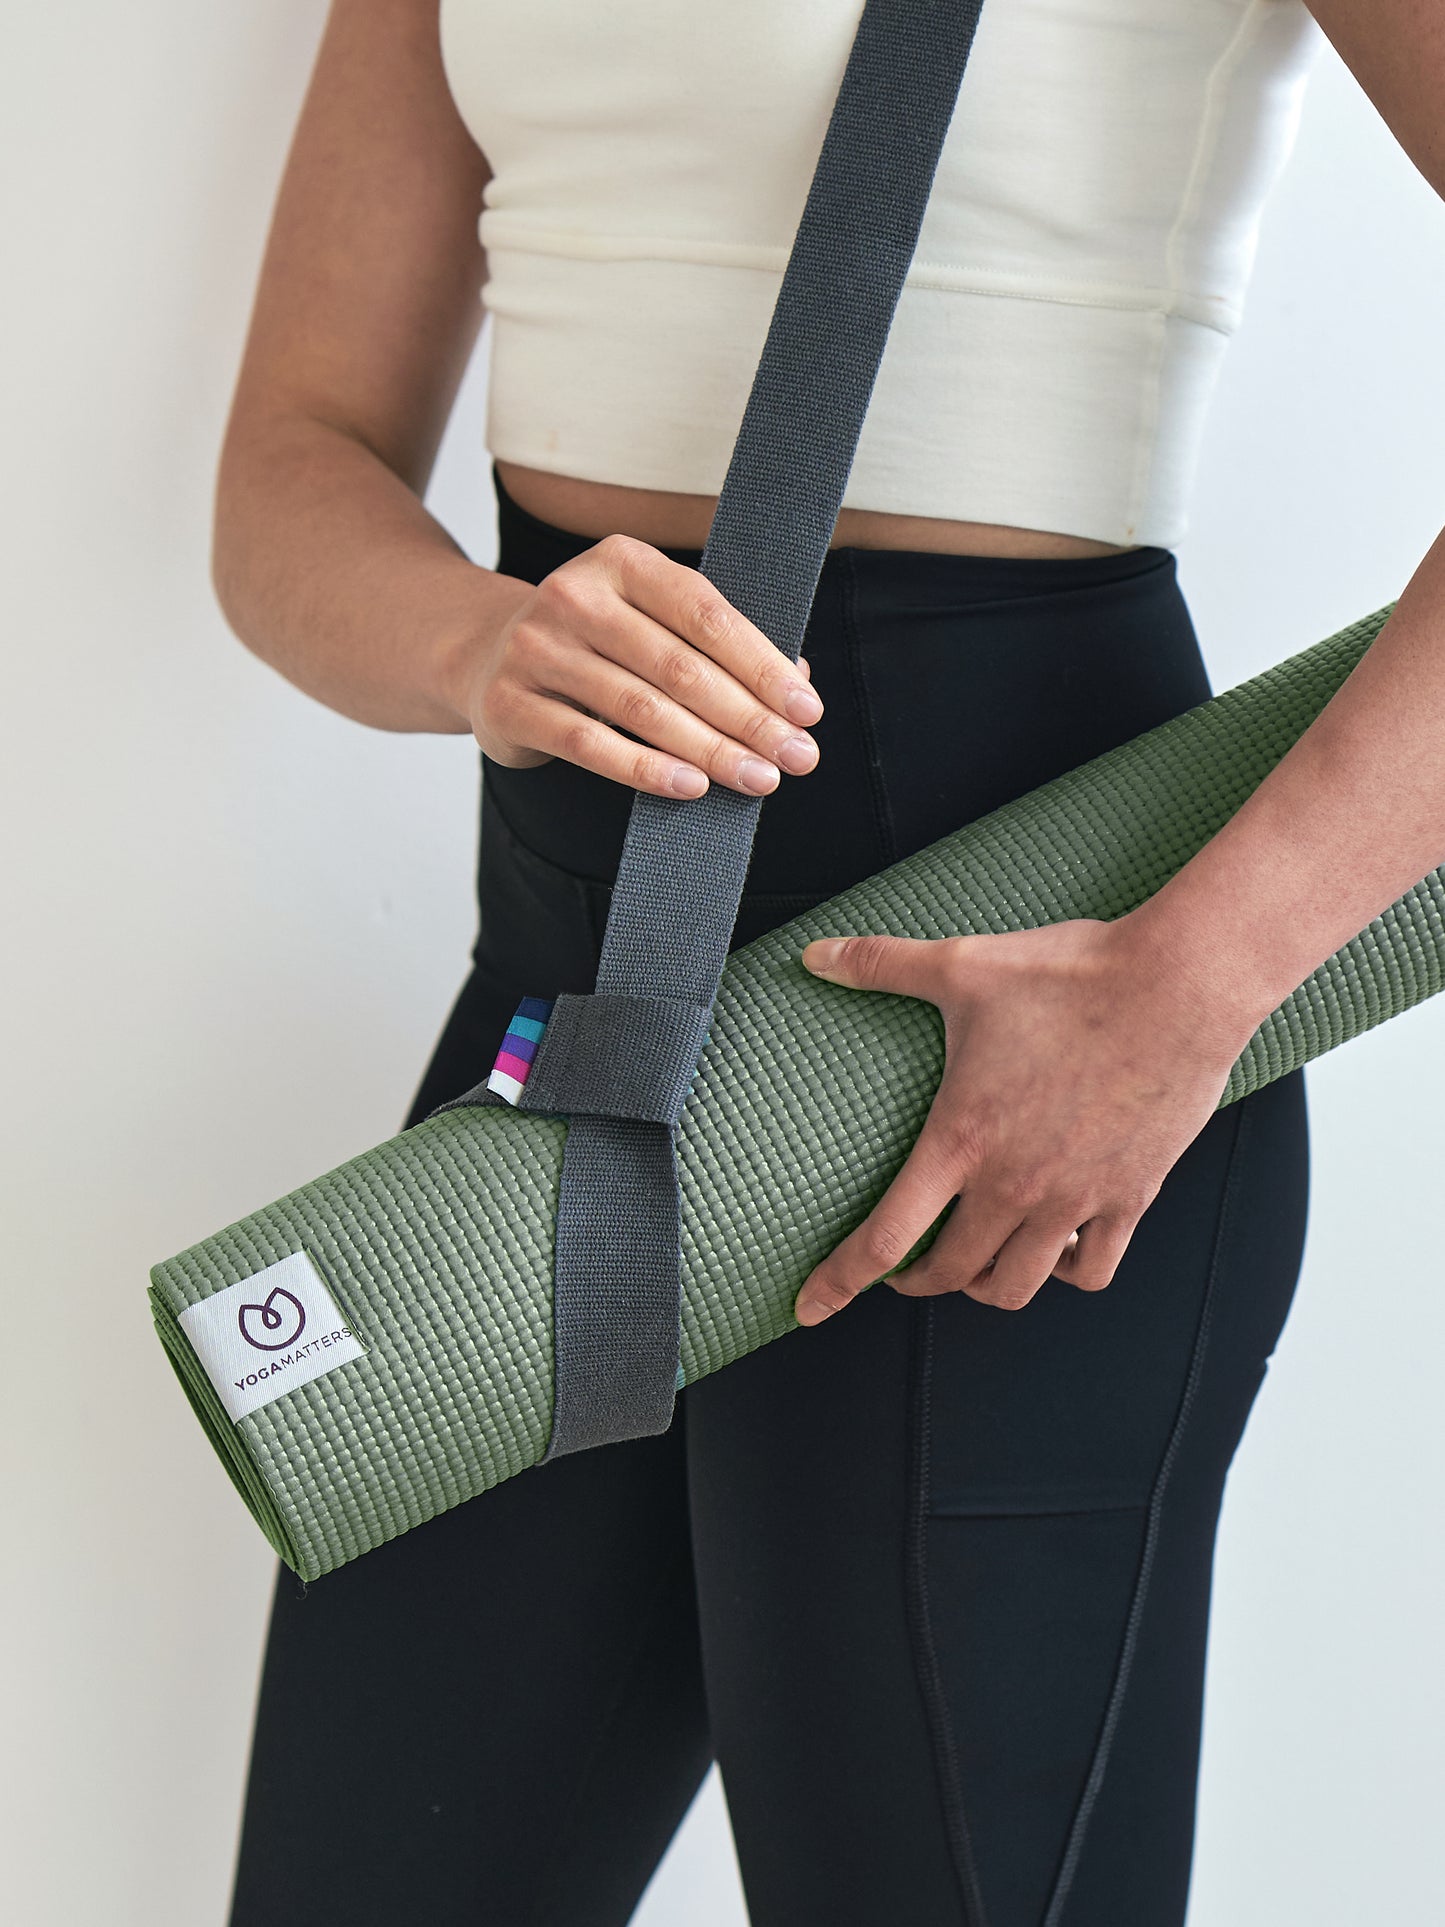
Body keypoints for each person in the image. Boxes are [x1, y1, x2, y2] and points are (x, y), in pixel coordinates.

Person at [213, 3, 1445, 1922]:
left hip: (1027, 1065)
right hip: (567, 1036)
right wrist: (478, 641)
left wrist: (1192, 984)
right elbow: (294, 462)